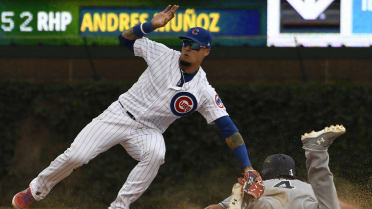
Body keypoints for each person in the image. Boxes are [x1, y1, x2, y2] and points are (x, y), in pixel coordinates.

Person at [12, 5, 263, 209]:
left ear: (206, 51)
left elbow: (227, 128)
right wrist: (149, 26)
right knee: (77, 156)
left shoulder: (204, 91)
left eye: (194, 44)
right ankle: (35, 191)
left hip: (150, 130)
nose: (187, 46)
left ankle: (119, 207)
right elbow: (123, 39)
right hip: (119, 114)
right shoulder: (163, 54)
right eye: (186, 41)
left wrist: (247, 166)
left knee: (156, 154)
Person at [205, 124, 358, 209]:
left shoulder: (261, 185)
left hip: (267, 205)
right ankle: (317, 152)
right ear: (292, 173)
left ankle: (246, 202)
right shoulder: (306, 187)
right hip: (304, 206)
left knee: (253, 203)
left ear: (266, 173)